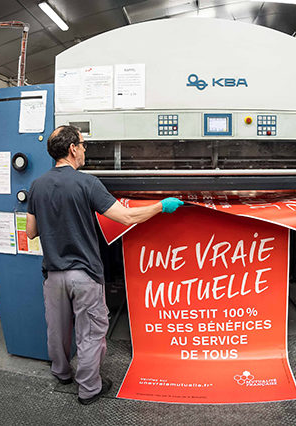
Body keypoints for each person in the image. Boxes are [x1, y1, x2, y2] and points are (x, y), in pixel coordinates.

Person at [26, 125, 183, 405]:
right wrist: (161, 206)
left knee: (57, 330)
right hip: (84, 275)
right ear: (72, 149)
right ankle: (88, 389)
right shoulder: (87, 183)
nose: (85, 150)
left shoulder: (37, 185)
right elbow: (126, 217)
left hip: (53, 275)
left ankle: (61, 373)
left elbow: (30, 232)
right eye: (83, 144)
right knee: (90, 334)